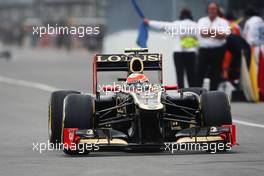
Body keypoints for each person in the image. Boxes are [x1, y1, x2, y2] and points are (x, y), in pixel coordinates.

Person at [143, 9, 198, 88]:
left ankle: (181, 95)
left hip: (178, 53)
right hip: (191, 53)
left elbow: (162, 25)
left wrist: (149, 22)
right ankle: (194, 95)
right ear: (190, 16)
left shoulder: (176, 24)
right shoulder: (195, 25)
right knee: (191, 76)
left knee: (180, 75)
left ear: (181, 16)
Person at [197, 2, 231, 90]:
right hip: (204, 50)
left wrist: (209, 32)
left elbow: (225, 35)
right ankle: (197, 94)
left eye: (214, 8)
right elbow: (202, 33)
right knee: (200, 72)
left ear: (217, 10)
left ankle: (213, 94)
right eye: (210, 8)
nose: (212, 10)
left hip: (218, 50)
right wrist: (216, 33)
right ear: (207, 10)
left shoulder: (223, 22)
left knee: (215, 73)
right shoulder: (202, 20)